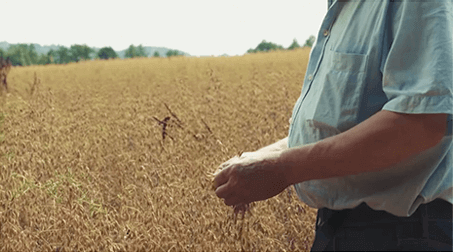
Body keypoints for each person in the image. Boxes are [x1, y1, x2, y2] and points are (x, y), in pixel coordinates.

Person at [213, 1, 452, 251]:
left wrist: (282, 168)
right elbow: (342, 127)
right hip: (345, 231)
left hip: (402, 234)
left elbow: (420, 123)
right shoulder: (344, 10)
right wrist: (266, 159)